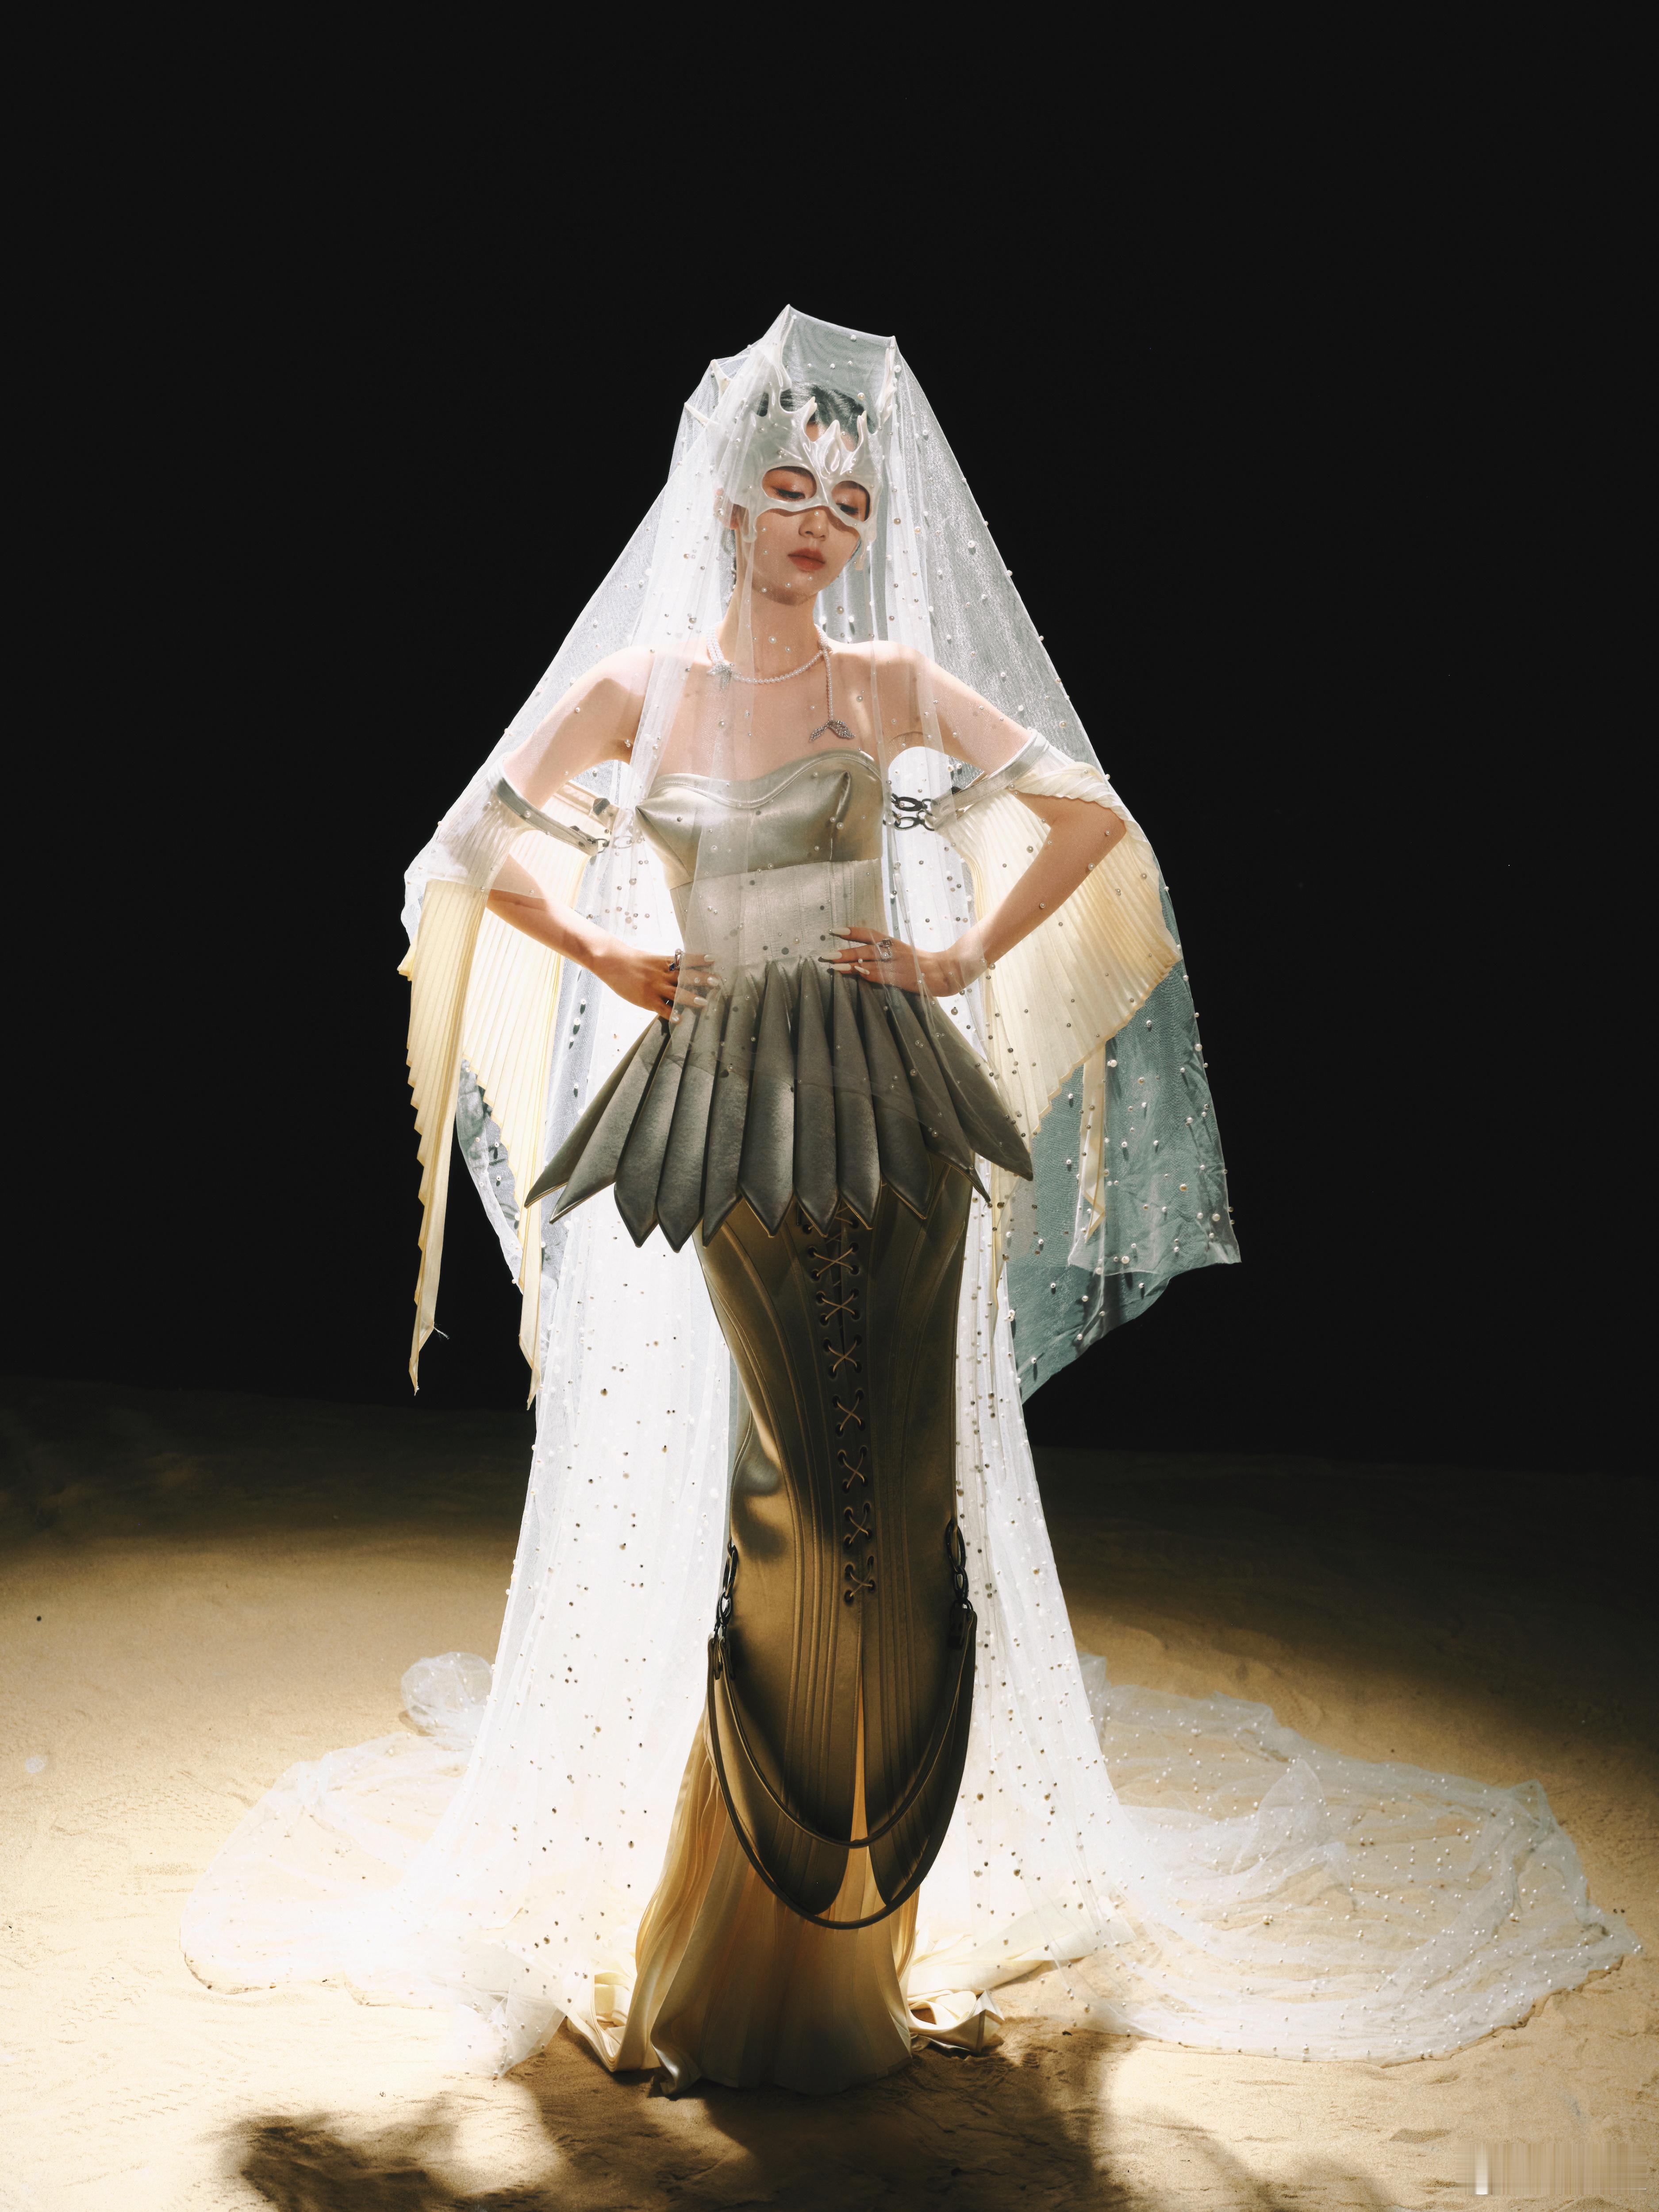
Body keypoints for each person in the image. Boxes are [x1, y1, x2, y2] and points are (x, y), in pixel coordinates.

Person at [183, 310, 1632, 2092]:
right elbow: (465, 853)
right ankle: (733, 1936)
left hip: (893, 1119)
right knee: (790, 1505)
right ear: (729, 503)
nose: (821, 523)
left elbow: (1091, 822)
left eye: (849, 502)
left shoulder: (881, 688)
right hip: (729, 1121)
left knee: (903, 1515)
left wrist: (952, 951)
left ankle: (852, 1949)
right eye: (791, 491)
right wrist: (619, 959)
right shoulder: (636, 692)